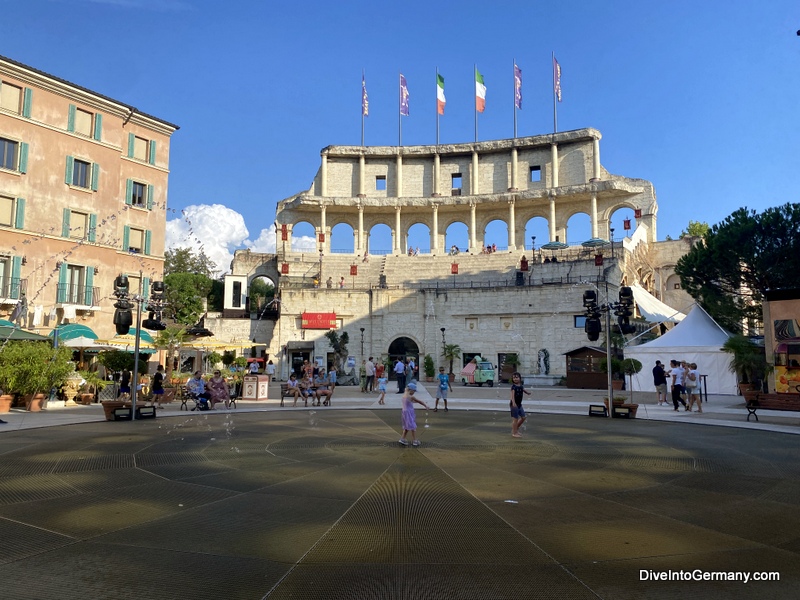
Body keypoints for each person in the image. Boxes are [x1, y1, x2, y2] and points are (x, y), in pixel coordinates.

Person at [398, 382, 430, 447]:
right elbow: (419, 401)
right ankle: (415, 440)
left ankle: (402, 438)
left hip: (405, 412)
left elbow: (410, 402)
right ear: (411, 390)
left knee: (407, 426)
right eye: (414, 391)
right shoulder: (411, 396)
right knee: (413, 427)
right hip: (409, 413)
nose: (414, 392)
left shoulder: (404, 395)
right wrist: (425, 406)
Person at [510, 372, 530, 438]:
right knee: (515, 419)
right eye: (514, 378)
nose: (515, 379)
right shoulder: (513, 387)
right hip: (514, 405)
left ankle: (515, 429)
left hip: (519, 404)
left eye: (517, 377)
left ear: (520, 378)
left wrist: (527, 393)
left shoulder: (520, 386)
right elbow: (512, 396)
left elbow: (523, 390)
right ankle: (514, 433)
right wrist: (513, 403)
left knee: (523, 417)